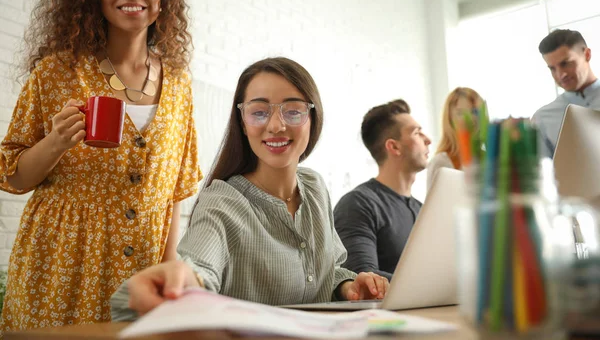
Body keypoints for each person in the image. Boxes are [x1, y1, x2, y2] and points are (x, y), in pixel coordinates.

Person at [0, 0, 201, 332]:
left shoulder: (179, 83)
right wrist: (56, 141)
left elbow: (175, 190)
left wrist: (169, 265)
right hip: (60, 262)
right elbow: (12, 176)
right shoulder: (56, 72)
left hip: (143, 269)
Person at [110, 57, 389, 320]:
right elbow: (200, 267)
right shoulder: (222, 200)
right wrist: (185, 279)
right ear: (243, 124)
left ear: (312, 117)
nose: (277, 125)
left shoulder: (315, 187)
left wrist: (349, 286)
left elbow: (327, 273)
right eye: (259, 112)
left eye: (293, 111)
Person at [333, 99, 431, 281]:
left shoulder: (424, 210)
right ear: (394, 146)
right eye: (417, 133)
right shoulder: (357, 204)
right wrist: (430, 285)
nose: (428, 140)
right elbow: (361, 277)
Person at [533, 29, 599, 158]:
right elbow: (543, 174)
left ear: (587, 54)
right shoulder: (542, 119)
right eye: (552, 68)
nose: (560, 75)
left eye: (566, 63)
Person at [426, 87, 483, 190]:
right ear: (450, 119)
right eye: (460, 113)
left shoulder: (489, 159)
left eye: (474, 112)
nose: (469, 118)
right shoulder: (441, 162)